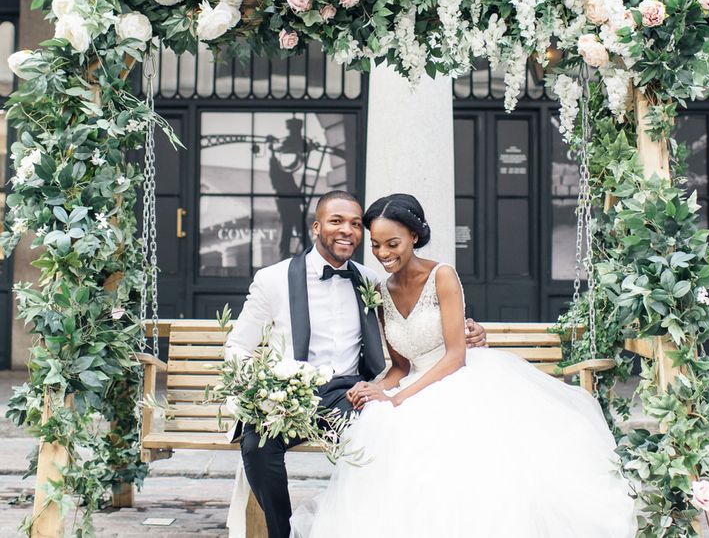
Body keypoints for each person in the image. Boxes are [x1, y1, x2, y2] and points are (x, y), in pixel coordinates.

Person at [290, 193, 637, 538]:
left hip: (457, 377)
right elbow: (399, 365)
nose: (383, 255)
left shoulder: (442, 275)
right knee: (383, 431)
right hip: (413, 382)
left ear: (414, 236)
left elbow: (456, 355)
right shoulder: (381, 289)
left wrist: (398, 399)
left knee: (447, 447)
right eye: (377, 245)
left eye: (392, 243)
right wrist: (378, 388)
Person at [224, 190, 487, 538]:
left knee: (386, 435)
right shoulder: (273, 279)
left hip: (346, 395)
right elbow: (239, 346)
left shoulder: (371, 281)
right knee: (256, 445)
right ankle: (281, 533)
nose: (347, 230)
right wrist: (257, 392)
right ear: (317, 227)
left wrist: (472, 331)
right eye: (336, 221)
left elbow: (417, 333)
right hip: (287, 394)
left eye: (354, 224)